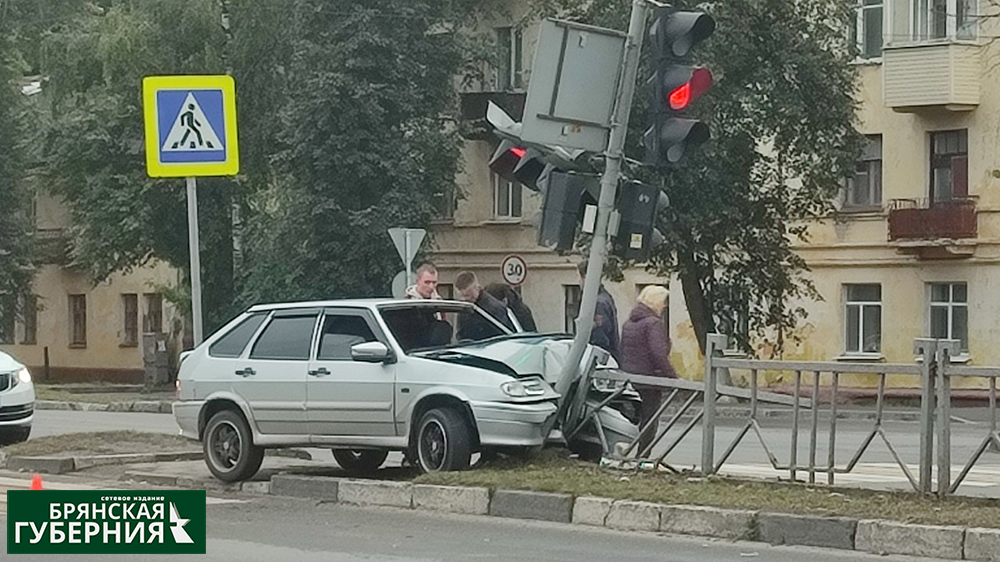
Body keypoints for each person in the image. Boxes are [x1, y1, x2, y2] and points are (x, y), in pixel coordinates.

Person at [620, 285, 676, 455]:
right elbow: (658, 354)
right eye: (664, 302)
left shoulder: (628, 323)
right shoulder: (653, 323)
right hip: (650, 380)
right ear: (656, 302)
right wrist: (672, 377)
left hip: (630, 379)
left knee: (632, 419)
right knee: (650, 421)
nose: (665, 306)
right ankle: (642, 457)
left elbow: (623, 349)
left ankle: (623, 453)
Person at [578, 260, 621, 363]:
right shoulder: (603, 298)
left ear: (587, 277)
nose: (578, 281)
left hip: (601, 362)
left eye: (579, 277)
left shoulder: (598, 303)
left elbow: (600, 337)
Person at [454, 271, 514, 341]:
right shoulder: (464, 307)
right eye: (462, 296)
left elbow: (503, 336)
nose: (465, 299)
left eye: (468, 295)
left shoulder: (495, 308)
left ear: (478, 288)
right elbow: (460, 335)